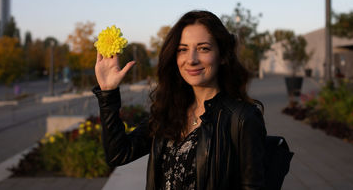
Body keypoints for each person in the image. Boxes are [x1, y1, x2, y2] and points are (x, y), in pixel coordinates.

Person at [93, 10, 267, 190]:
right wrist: (108, 93)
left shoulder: (242, 118)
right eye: (183, 49)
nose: (191, 60)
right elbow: (118, 154)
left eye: (203, 48)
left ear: (222, 55)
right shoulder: (169, 111)